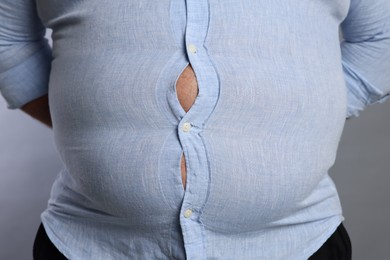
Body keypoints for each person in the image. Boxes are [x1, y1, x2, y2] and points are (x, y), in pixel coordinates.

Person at [1, 0, 389, 259]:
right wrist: (86, 119)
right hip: (92, 243)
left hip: (297, 244)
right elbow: (8, 38)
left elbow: (382, 38)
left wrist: (306, 116)